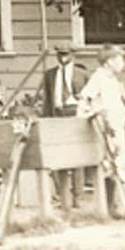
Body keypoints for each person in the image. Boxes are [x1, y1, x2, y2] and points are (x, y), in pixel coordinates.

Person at [77, 45, 125, 229]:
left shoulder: (112, 80)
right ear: (109, 61)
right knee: (123, 169)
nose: (123, 63)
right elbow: (84, 103)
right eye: (120, 59)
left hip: (117, 129)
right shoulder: (98, 78)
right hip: (108, 131)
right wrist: (99, 118)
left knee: (122, 169)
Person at [40, 44, 89, 207]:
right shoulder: (50, 75)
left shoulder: (82, 74)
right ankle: (63, 197)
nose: (62, 58)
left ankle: (78, 196)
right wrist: (46, 119)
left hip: (74, 113)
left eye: (66, 54)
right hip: (57, 114)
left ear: (73, 55)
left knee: (77, 157)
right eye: (60, 54)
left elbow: (88, 98)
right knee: (58, 157)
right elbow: (47, 99)